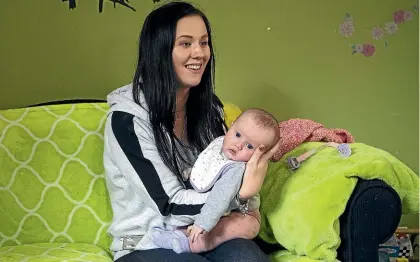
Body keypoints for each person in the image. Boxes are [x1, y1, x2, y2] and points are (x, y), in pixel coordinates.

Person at [103, 1, 279, 261]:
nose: (199, 53)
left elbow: (231, 174)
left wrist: (244, 199)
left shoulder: (211, 111)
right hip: (146, 240)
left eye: (204, 42)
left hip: (208, 229)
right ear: (159, 51)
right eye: (185, 43)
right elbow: (169, 205)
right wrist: (240, 194)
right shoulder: (127, 121)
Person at [150, 108, 280, 254]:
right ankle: (180, 232)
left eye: (249, 146)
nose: (239, 145)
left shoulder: (236, 168)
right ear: (231, 126)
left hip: (244, 216)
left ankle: (187, 244)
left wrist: (202, 223)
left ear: (259, 154)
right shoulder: (220, 144)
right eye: (237, 134)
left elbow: (220, 197)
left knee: (218, 232)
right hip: (224, 210)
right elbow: (208, 166)